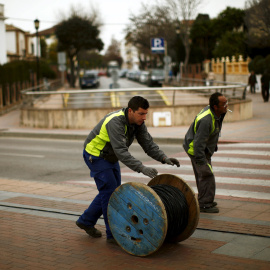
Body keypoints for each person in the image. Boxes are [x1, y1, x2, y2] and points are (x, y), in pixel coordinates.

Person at [76, 96, 180, 244]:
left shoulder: (138, 123)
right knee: (110, 194)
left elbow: (148, 144)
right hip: (96, 155)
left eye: (146, 114)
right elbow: (122, 152)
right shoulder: (115, 122)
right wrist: (141, 168)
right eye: (141, 114)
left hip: (110, 157)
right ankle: (113, 235)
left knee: (112, 191)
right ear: (130, 111)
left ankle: (86, 221)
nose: (144, 118)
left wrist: (164, 158)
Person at [183, 92, 228, 213]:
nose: (226, 106)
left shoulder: (216, 113)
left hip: (203, 148)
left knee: (203, 175)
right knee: (206, 174)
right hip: (196, 149)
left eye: (226, 103)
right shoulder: (207, 119)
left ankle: (205, 199)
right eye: (223, 104)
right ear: (215, 106)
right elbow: (198, 144)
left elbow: (213, 131)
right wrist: (201, 161)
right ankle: (204, 204)